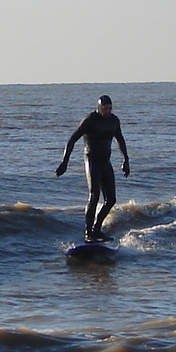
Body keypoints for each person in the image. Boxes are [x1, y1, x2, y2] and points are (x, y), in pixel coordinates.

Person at [56, 95, 129, 243]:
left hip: (105, 162)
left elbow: (120, 140)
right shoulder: (89, 120)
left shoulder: (114, 120)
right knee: (94, 195)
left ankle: (96, 229)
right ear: (98, 107)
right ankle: (88, 233)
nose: (107, 111)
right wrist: (65, 162)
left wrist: (126, 160)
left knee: (111, 199)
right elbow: (72, 140)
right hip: (92, 161)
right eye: (104, 108)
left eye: (109, 108)